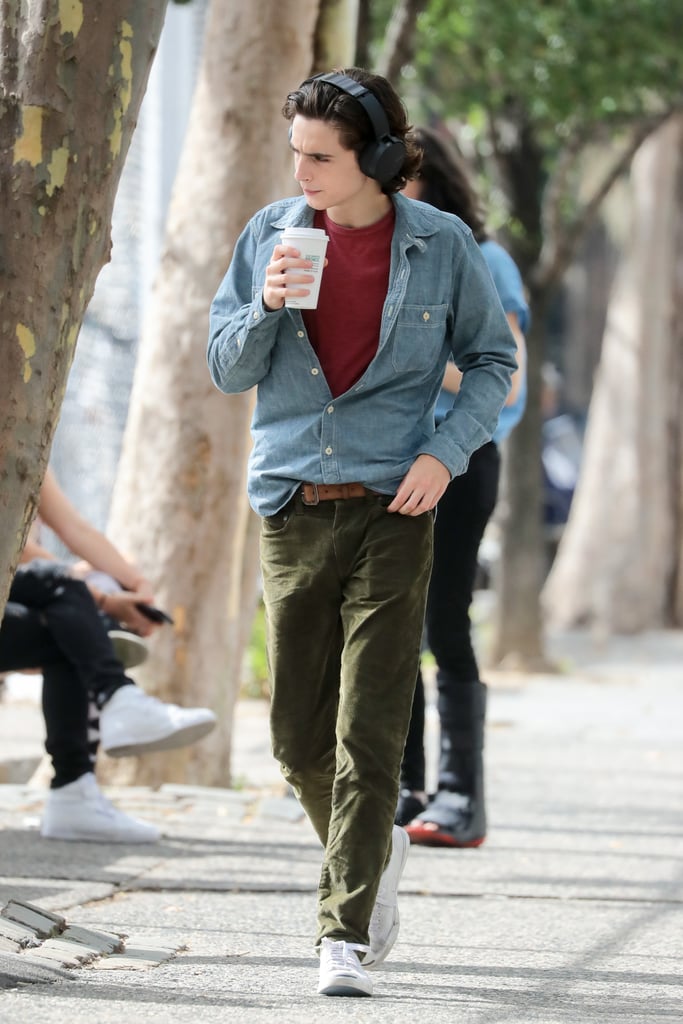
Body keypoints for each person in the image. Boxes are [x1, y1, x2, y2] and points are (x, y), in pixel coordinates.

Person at [207, 68, 517, 998]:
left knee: (368, 729)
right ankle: (373, 849)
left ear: (375, 159)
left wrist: (446, 451)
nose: (299, 171)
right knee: (295, 738)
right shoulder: (269, 234)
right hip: (292, 503)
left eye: (320, 157)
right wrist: (264, 303)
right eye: (294, 152)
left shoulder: (441, 243)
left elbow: (493, 359)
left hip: (394, 505)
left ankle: (338, 933)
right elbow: (227, 370)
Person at [396, 126, 529, 847]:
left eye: (397, 174)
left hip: (463, 460)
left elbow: (502, 382)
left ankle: (460, 797)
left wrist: (415, 357)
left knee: (442, 619)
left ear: (427, 179)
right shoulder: (392, 256)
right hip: (393, 463)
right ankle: (406, 785)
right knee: (397, 622)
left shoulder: (485, 259)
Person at [0, 468, 217, 843]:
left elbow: (76, 529)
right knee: (66, 597)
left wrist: (137, 585)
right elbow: (14, 547)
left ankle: (74, 792)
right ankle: (117, 698)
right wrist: (96, 596)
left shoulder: (29, 432)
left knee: (69, 626)